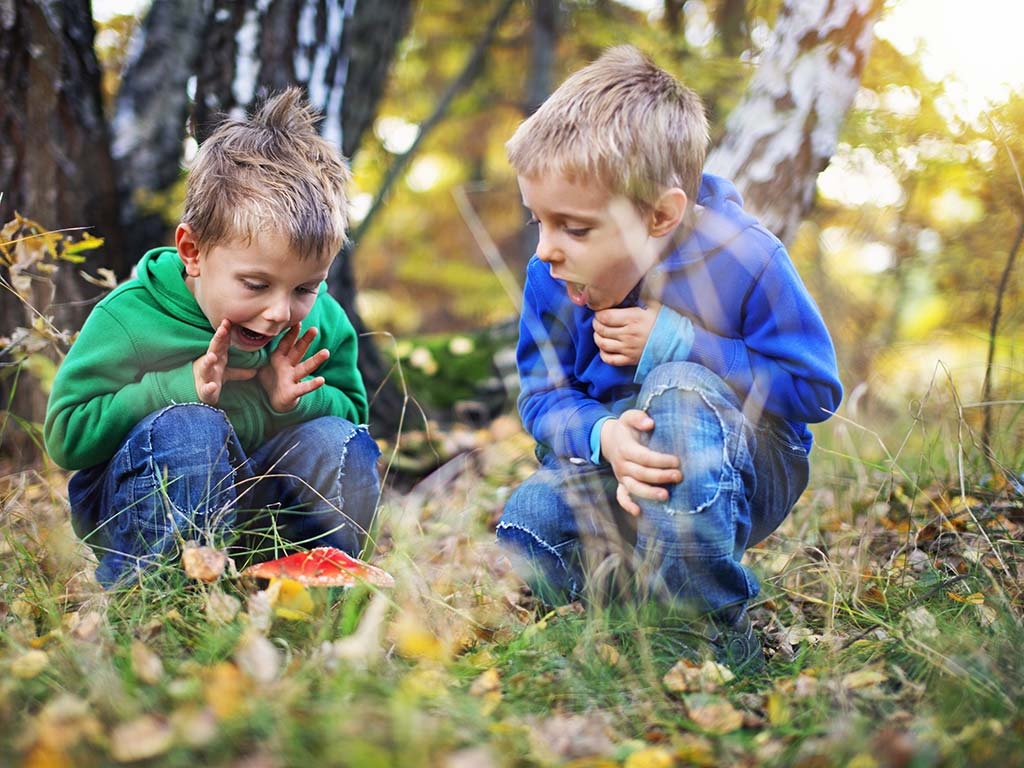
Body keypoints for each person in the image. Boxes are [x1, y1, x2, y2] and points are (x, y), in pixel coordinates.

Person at [494, 46, 843, 672]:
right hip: (614, 472)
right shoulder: (550, 277)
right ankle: (634, 607)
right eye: (537, 221)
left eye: (574, 228)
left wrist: (681, 344)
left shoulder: (745, 257)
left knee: (679, 386)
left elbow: (813, 391)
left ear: (660, 215)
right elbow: (542, 395)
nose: (546, 248)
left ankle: (709, 633)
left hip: (746, 466)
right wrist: (605, 436)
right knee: (529, 523)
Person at [44, 89, 381, 589]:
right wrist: (170, 389)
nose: (279, 312)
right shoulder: (133, 317)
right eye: (256, 284)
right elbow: (66, 435)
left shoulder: (320, 322)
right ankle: (162, 593)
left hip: (261, 513)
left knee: (336, 440)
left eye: (305, 287)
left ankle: (305, 588)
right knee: (190, 428)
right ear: (192, 251)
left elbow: (354, 422)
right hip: (145, 508)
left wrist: (290, 401)